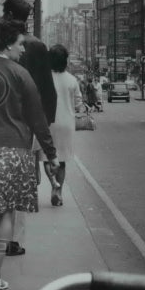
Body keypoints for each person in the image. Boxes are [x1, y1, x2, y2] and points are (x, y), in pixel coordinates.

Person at [0, 19, 57, 290]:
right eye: (19, 44)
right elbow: (38, 119)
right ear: (7, 44)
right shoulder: (20, 73)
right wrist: (50, 154)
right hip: (12, 150)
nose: (23, 50)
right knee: (4, 213)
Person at [0, 0, 56, 256]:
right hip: (26, 123)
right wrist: (45, 128)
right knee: (22, 179)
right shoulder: (37, 45)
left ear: (9, 13)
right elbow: (47, 90)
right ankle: (14, 239)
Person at [48, 44, 83, 207]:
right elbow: (78, 103)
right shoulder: (72, 79)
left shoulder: (45, 78)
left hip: (48, 124)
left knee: (48, 159)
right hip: (66, 125)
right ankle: (59, 192)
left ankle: (53, 183)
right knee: (62, 161)